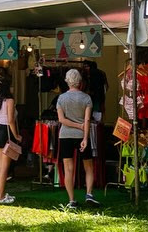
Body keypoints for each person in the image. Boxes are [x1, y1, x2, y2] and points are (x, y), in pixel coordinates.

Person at [57, 69, 101, 209]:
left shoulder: (61, 98)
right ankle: (89, 193)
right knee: (88, 167)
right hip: (81, 135)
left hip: (65, 135)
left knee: (68, 168)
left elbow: (61, 119)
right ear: (80, 82)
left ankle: (71, 200)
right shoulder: (86, 98)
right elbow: (87, 119)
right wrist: (85, 136)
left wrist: (76, 125)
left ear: (67, 81)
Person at [0, 77, 22, 205]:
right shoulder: (9, 100)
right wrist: (17, 135)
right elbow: (10, 120)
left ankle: (1, 193)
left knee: (1, 166)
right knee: (4, 166)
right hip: (6, 132)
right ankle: (0, 196)